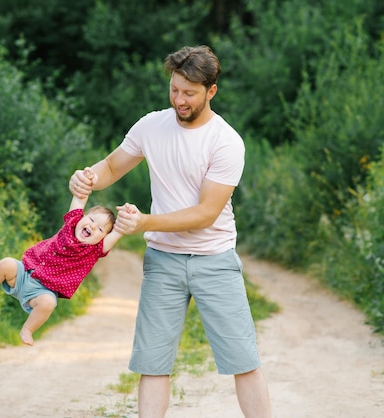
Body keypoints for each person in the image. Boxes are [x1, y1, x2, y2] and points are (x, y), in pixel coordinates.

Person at [70, 45, 271, 417]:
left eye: (189, 93)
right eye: (175, 89)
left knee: (244, 360)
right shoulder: (151, 125)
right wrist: (87, 178)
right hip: (163, 262)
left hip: (215, 261)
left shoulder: (226, 142)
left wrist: (145, 222)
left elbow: (205, 213)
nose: (180, 99)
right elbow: (112, 168)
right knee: (152, 362)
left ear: (211, 91)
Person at [0, 168, 124, 346]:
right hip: (25, 273)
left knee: (49, 303)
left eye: (101, 229)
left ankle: (28, 329)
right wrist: (87, 180)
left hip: (42, 291)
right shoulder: (72, 223)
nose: (94, 227)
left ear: (102, 238)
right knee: (7, 263)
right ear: (83, 217)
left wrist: (125, 220)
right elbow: (80, 197)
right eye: (92, 220)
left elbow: (117, 232)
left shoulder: (94, 250)